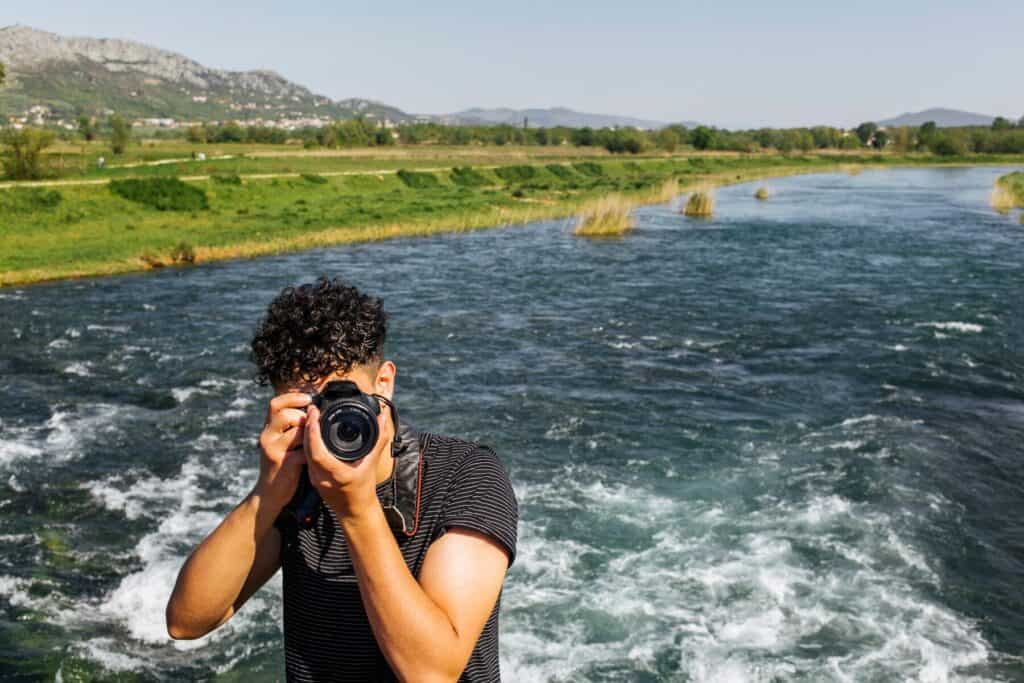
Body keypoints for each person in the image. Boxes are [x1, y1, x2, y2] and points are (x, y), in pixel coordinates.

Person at [165, 277, 519, 682]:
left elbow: (432, 673)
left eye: (342, 398)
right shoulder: (297, 486)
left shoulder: (466, 474)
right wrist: (266, 493)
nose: (329, 423)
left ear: (383, 382)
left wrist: (357, 509)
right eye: (308, 406)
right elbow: (186, 621)